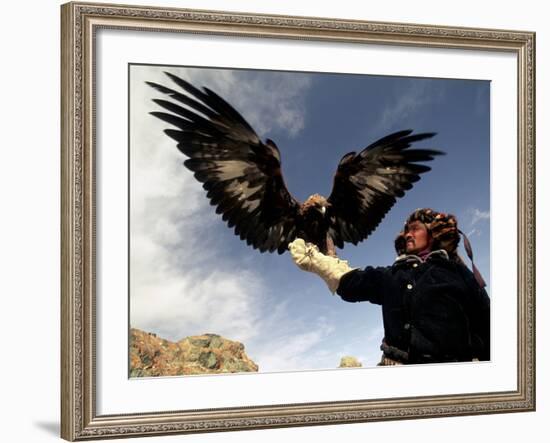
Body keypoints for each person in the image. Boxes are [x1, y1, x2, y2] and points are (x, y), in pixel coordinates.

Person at [289, 208, 490, 366]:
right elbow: (352, 283)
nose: (407, 235)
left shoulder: (458, 273)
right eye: (405, 231)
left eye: (415, 228)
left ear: (434, 233)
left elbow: (487, 323)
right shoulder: (392, 275)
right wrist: (319, 261)